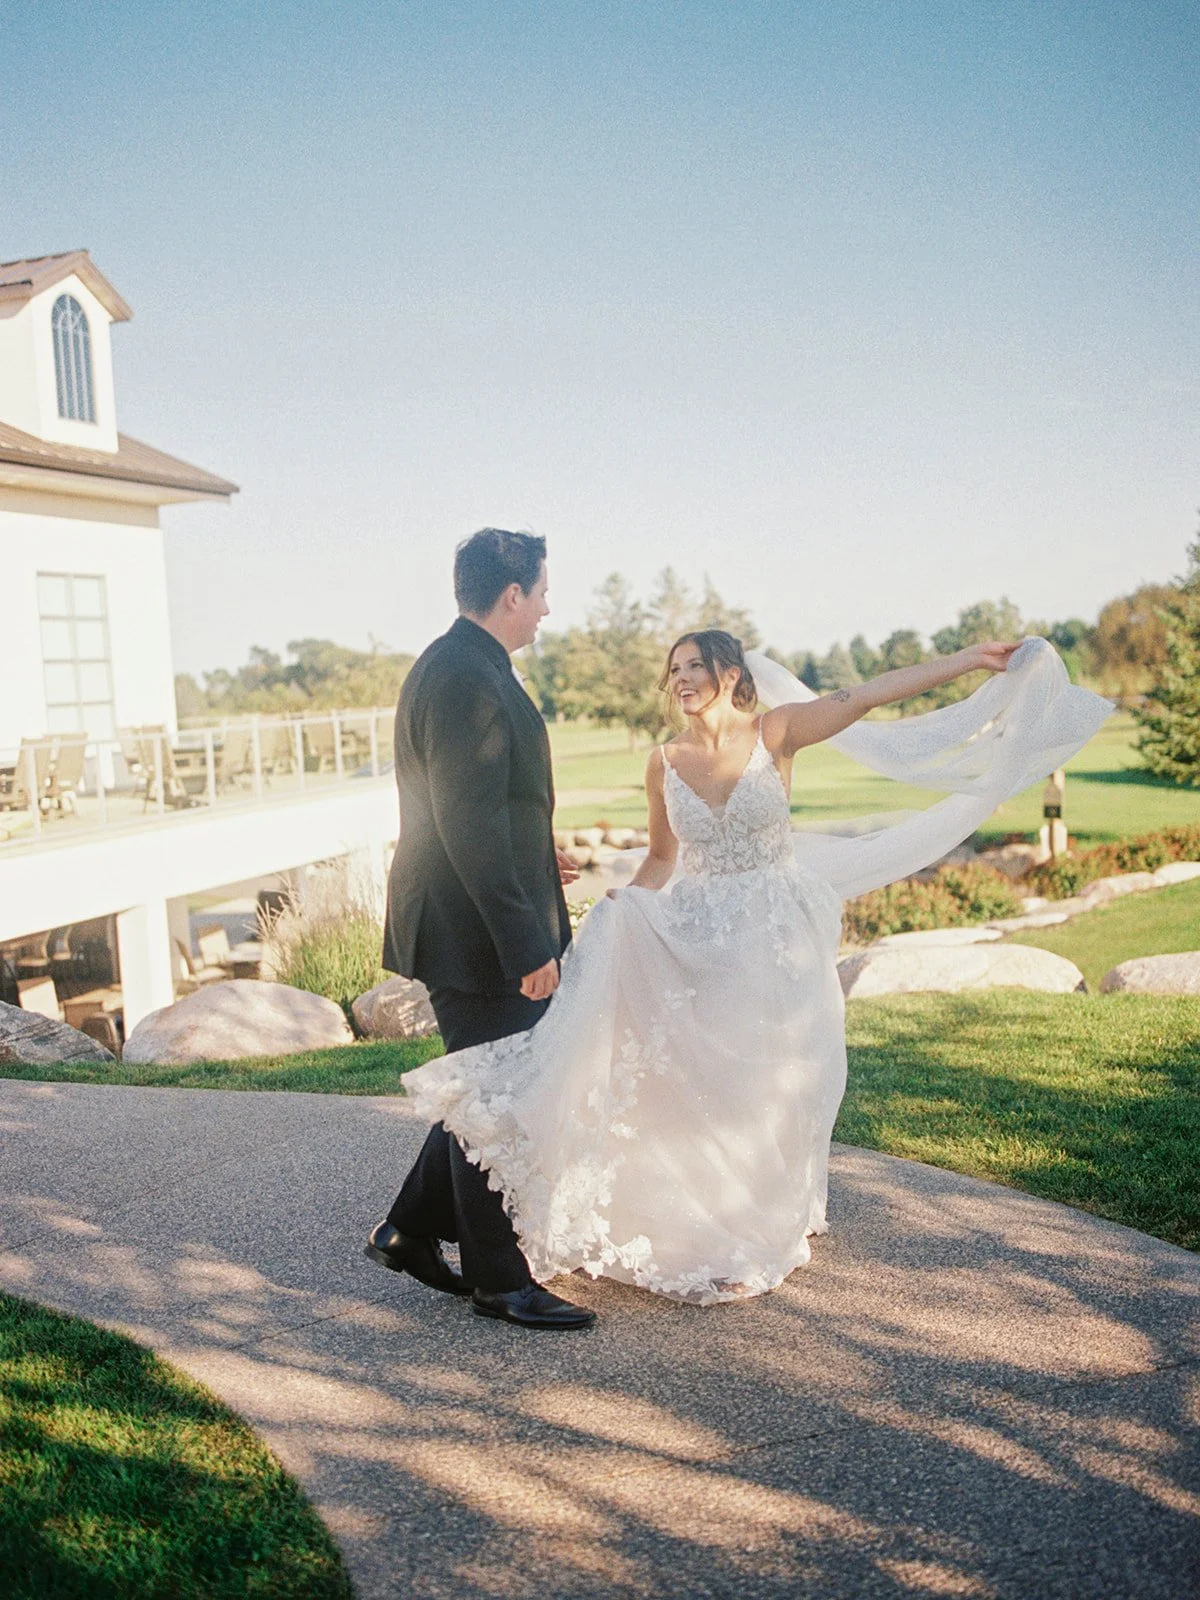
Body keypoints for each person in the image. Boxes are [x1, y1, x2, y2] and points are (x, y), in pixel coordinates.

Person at [401, 627, 1111, 1306]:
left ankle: (761, 1224)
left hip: (774, 937)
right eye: (673, 669)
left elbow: (862, 697)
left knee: (772, 1079)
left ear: (731, 676)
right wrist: (625, 905)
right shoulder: (664, 762)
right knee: (710, 1083)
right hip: (699, 934)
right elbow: (659, 859)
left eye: (694, 667)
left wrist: (964, 660)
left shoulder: (776, 734)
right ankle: (718, 1227)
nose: (680, 680)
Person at [366, 528, 595, 1330]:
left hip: (468, 915)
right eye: (540, 593)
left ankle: (410, 1228)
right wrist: (526, 942)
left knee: (484, 1083)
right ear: (512, 595)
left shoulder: (465, 663)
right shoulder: (465, 676)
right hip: (470, 934)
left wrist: (539, 854)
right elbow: (463, 822)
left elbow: (490, 805)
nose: (544, 609)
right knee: (496, 1095)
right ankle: (500, 1279)